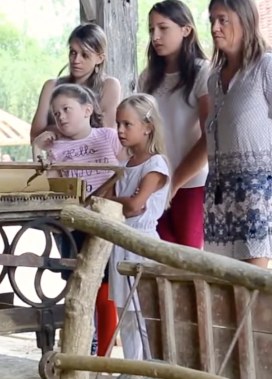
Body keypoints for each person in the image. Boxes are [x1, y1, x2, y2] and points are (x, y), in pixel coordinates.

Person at [32, 83, 121, 357]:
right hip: (73, 227)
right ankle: (80, 349)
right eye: (56, 113)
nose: (60, 117)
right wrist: (38, 148)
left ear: (87, 110)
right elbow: (47, 183)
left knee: (106, 293)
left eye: (66, 109)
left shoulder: (108, 136)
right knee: (79, 290)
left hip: (107, 224)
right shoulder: (56, 148)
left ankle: (105, 358)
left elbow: (127, 168)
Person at [205, 0, 272, 268]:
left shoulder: (268, 67)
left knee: (252, 291)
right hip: (216, 198)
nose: (215, 27)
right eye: (212, 20)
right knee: (222, 291)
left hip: (254, 195)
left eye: (223, 19)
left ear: (246, 21)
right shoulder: (213, 79)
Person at [138, 0, 210, 249]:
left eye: (163, 28)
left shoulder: (203, 73)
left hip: (191, 184)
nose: (155, 36)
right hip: (152, 183)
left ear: (186, 30)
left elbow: (209, 137)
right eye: (151, 29)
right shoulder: (146, 78)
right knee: (155, 262)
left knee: (188, 265)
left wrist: (174, 184)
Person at [108, 94, 170, 361]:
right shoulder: (123, 166)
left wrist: (120, 202)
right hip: (119, 244)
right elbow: (103, 201)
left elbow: (134, 207)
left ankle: (151, 369)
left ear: (147, 127)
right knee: (126, 316)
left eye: (127, 124)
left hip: (141, 244)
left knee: (144, 314)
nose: (120, 130)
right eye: (117, 124)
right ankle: (132, 368)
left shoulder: (156, 165)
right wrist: (124, 201)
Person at [30, 23, 121, 142]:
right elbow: (35, 136)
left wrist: (55, 130)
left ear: (100, 58)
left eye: (85, 55)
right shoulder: (51, 86)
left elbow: (107, 134)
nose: (76, 60)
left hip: (95, 159)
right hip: (57, 159)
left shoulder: (109, 85)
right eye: (73, 52)